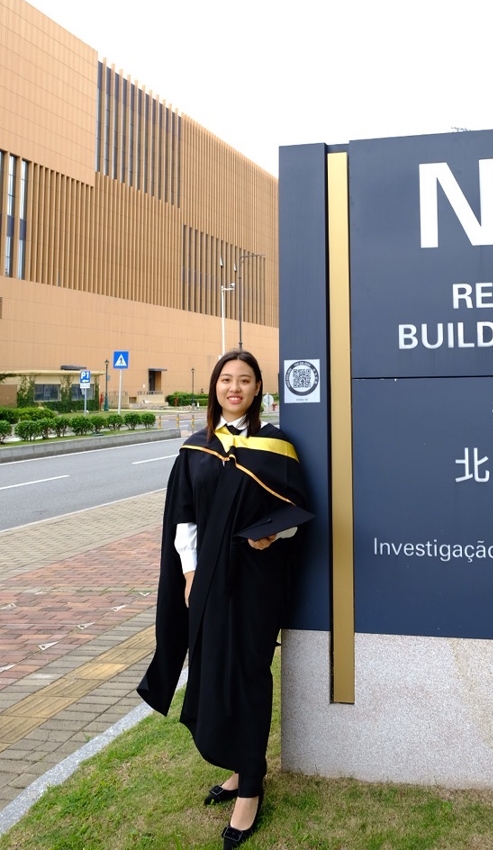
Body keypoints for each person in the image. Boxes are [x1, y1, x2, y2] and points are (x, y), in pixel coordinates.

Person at [138, 350, 307, 849]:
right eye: (227, 379)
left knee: (248, 673)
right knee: (214, 668)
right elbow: (184, 518)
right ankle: (238, 765)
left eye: (245, 380)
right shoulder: (197, 448)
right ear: (215, 387)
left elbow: (298, 512)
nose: (235, 388)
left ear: (258, 389)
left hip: (257, 579)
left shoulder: (277, 445)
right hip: (208, 578)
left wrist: (275, 535)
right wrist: (190, 574)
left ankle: (250, 789)